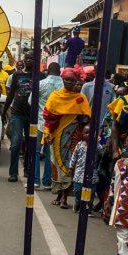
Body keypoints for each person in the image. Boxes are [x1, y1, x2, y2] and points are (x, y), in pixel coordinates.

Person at [42, 68, 91, 207]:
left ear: (76, 81)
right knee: (56, 165)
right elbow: (47, 117)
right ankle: (58, 194)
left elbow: (87, 117)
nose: (69, 82)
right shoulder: (55, 96)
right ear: (62, 79)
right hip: (56, 137)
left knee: (71, 165)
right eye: (67, 79)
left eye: (72, 80)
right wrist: (47, 133)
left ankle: (64, 197)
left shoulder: (80, 98)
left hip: (74, 137)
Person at [31, 61, 63, 189]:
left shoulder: (41, 84)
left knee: (36, 151)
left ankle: (35, 180)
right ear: (59, 72)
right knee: (51, 153)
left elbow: (30, 101)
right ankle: (47, 181)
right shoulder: (64, 86)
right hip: (57, 125)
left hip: (40, 122)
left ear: (48, 71)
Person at [3, 57, 34, 182]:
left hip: (32, 116)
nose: (28, 60)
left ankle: (27, 169)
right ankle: (13, 173)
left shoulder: (40, 76)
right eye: (27, 57)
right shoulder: (17, 75)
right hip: (17, 114)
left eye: (31, 57)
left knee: (29, 143)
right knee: (16, 143)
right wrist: (4, 111)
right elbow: (10, 95)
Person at [81, 64, 115, 130]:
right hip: (89, 124)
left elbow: (113, 106)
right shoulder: (86, 87)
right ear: (94, 71)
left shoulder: (111, 87)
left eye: (102, 69)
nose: (100, 71)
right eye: (98, 69)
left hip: (104, 125)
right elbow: (82, 105)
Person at [69, 125, 88, 212]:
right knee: (77, 190)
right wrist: (71, 167)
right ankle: (77, 202)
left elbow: (100, 151)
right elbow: (74, 156)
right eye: (86, 133)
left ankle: (86, 207)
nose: (88, 135)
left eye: (90, 133)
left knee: (88, 191)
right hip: (79, 172)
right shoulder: (79, 145)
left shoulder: (95, 145)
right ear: (82, 134)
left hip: (90, 173)